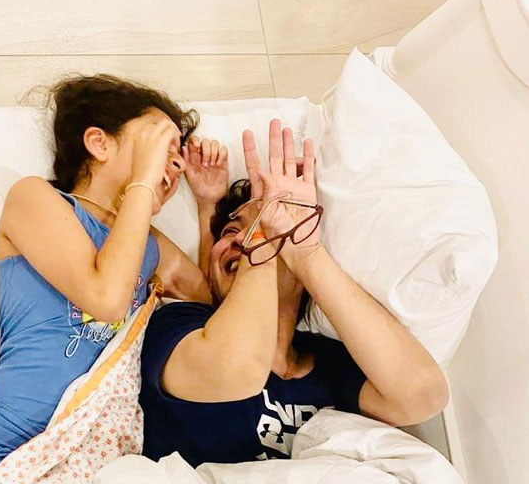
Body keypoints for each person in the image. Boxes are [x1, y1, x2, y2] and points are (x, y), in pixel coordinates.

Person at [140, 119, 449, 466]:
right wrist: (263, 238)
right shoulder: (178, 325)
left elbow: (423, 395)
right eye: (230, 231)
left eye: (266, 230)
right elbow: (235, 367)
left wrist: (307, 253)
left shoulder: (328, 364)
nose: (243, 239)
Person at [0, 75, 212, 484]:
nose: (174, 163)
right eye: (158, 142)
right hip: (10, 454)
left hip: (100, 456)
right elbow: (106, 299)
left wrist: (207, 203)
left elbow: (212, 309)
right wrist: (143, 186)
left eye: (176, 155)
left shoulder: (149, 244)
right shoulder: (35, 199)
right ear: (99, 143)